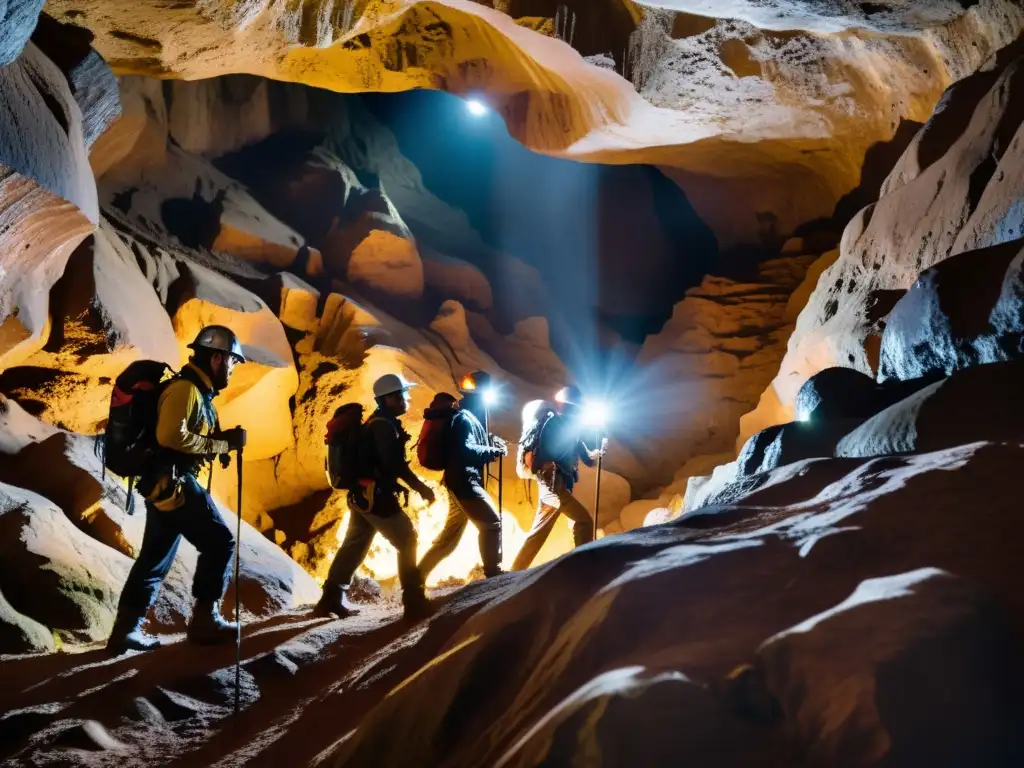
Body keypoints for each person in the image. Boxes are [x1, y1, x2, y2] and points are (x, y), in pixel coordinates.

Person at [107, 325, 248, 653]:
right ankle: (205, 620)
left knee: (154, 558)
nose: (233, 368)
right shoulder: (186, 389)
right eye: (232, 361)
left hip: (164, 486)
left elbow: (186, 435)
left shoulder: (198, 391)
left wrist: (218, 442)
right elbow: (171, 436)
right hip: (176, 483)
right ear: (217, 357)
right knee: (220, 543)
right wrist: (218, 444)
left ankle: (125, 632)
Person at [316, 373, 435, 620]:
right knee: (407, 539)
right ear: (390, 398)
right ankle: (413, 600)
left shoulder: (378, 422)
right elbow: (394, 465)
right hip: (375, 497)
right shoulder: (382, 425)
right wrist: (419, 487)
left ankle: (330, 599)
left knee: (354, 545)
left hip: (363, 496)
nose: (407, 399)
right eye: (403, 395)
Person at [418, 371, 508, 581]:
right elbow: (465, 450)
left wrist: (490, 444)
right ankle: (493, 574)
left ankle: (415, 578)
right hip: (465, 482)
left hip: (457, 481)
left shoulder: (464, 415)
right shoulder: (464, 418)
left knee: (448, 540)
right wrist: (492, 451)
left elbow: (468, 443)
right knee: (492, 524)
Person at [511, 385, 604, 571]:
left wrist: (598, 451)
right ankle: (583, 569)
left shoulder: (569, 426)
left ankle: (514, 571)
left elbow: (588, 459)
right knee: (583, 521)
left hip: (554, 484)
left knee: (538, 533)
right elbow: (551, 454)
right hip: (553, 485)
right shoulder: (557, 424)